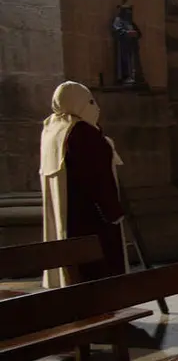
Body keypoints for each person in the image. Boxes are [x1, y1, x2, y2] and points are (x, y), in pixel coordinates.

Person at [40, 81, 128, 286]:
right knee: (99, 273)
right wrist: (113, 212)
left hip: (67, 216)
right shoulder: (82, 132)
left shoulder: (52, 129)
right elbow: (97, 176)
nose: (96, 108)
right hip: (90, 219)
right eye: (90, 102)